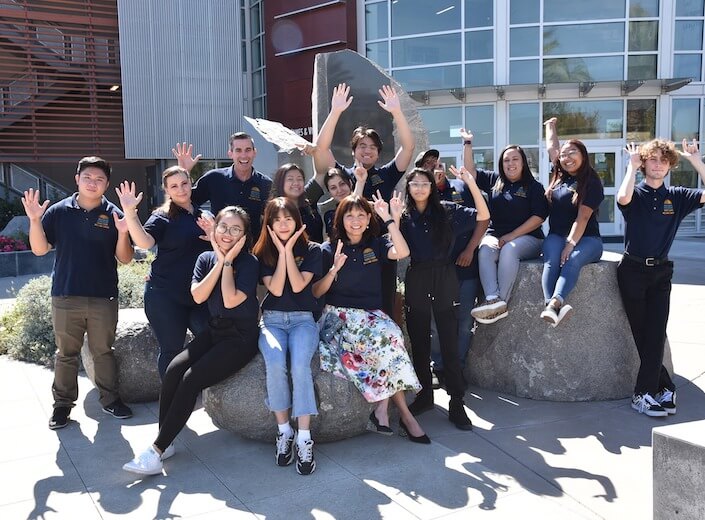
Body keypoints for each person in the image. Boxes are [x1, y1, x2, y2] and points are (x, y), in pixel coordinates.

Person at [123, 206, 260, 476]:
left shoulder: (249, 262)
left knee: (190, 379)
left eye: (236, 230)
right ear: (214, 229)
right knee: (174, 369)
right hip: (215, 330)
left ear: (245, 235)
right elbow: (198, 296)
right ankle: (167, 440)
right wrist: (220, 261)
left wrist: (230, 262)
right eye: (223, 227)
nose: (228, 234)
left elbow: (231, 300)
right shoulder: (206, 259)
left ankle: (156, 452)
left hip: (241, 337)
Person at [22, 156, 134, 430]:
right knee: (66, 354)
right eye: (87, 178)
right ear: (77, 179)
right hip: (66, 294)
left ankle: (110, 400)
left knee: (103, 352)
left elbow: (126, 258)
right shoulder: (59, 211)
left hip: (103, 295)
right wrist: (35, 220)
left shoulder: (115, 214)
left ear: (107, 184)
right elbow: (39, 249)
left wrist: (122, 234)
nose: (92, 183)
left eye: (99, 179)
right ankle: (62, 406)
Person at [313, 194, 430, 444]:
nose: (355, 220)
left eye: (361, 215)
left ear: (368, 219)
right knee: (385, 341)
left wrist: (388, 218)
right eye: (349, 215)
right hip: (339, 316)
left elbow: (403, 251)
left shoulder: (376, 245)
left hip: (371, 316)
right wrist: (334, 270)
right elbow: (316, 292)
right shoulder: (328, 248)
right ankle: (402, 415)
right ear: (340, 219)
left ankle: (383, 411)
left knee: (391, 337)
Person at [311, 83, 414, 317]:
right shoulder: (342, 174)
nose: (367, 151)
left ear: (378, 153)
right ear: (353, 150)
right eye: (362, 146)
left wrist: (397, 112)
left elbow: (409, 147)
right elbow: (321, 148)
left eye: (372, 147)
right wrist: (335, 111)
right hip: (347, 251)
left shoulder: (386, 174)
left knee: (384, 307)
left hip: (381, 250)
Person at [619, 139, 705, 417]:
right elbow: (622, 199)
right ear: (644, 163)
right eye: (652, 159)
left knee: (655, 333)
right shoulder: (637, 192)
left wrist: (696, 161)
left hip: (661, 272)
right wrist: (631, 169)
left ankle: (656, 388)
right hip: (632, 270)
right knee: (642, 333)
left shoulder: (677, 197)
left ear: (669, 166)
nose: (658, 164)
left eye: (663, 160)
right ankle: (648, 392)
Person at [400, 167, 490, 430]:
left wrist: (471, 184)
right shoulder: (403, 215)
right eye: (414, 184)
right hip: (417, 275)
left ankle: (456, 401)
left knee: (449, 339)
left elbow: (483, 215)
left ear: (432, 186)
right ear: (408, 188)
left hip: (445, 276)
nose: (419, 188)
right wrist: (391, 217)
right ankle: (425, 395)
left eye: (424, 183)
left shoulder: (449, 210)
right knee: (419, 339)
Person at [115, 167, 211, 378]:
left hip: (199, 296)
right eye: (174, 186)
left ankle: (195, 387)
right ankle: (171, 402)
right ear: (166, 190)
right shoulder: (161, 217)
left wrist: (214, 236)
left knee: (210, 340)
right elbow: (145, 242)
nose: (181, 189)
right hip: (165, 296)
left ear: (191, 183)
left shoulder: (205, 216)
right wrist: (130, 214)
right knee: (171, 350)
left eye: (184, 183)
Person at [253, 197, 322, 475]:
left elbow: (297, 284)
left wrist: (291, 247)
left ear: (297, 221)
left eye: (288, 219)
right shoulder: (261, 253)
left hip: (304, 320)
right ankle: (284, 432)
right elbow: (278, 290)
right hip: (272, 322)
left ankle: (304, 437)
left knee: (300, 366)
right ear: (268, 224)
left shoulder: (313, 250)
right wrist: (282, 253)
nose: (283, 224)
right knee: (274, 362)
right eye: (277, 220)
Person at [414, 149, 488, 388]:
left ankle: (458, 367)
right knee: (437, 323)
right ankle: (440, 367)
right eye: (427, 164)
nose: (434, 166)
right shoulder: (420, 199)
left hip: (465, 267)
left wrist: (470, 249)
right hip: (437, 273)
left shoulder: (461, 187)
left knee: (464, 321)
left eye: (436, 162)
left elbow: (483, 218)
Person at [461, 130, 549, 324]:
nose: (510, 164)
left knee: (509, 250)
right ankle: (492, 298)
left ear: (523, 162)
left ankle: (502, 301)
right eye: (506, 160)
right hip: (496, 234)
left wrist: (513, 235)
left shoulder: (534, 187)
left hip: (529, 238)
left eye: (515, 159)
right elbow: (470, 173)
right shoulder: (494, 180)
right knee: (485, 249)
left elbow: (539, 217)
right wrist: (467, 143)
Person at [541, 117, 605, 327]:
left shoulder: (592, 182)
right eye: (564, 155)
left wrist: (570, 244)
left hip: (588, 239)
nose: (567, 158)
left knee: (572, 259)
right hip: (556, 235)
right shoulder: (559, 175)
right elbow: (553, 148)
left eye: (573, 153)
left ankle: (554, 302)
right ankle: (551, 307)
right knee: (551, 259)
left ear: (583, 156)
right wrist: (550, 127)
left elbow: (583, 217)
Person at [172, 133, 273, 240]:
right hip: (220, 248)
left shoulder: (266, 184)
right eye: (238, 150)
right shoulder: (214, 178)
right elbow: (184, 202)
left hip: (253, 252)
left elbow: (274, 219)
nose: (243, 155)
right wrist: (183, 173)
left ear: (254, 152)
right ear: (230, 153)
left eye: (248, 150)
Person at [269, 163, 325, 243]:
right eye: (290, 179)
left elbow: (322, 171)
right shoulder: (273, 210)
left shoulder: (309, 199)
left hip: (316, 253)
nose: (296, 183)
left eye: (299, 179)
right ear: (280, 183)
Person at [321, 166, 366, 237]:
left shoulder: (368, 208)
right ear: (330, 193)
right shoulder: (330, 215)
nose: (339, 190)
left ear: (350, 183)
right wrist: (360, 183)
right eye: (333, 188)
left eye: (342, 184)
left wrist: (360, 182)